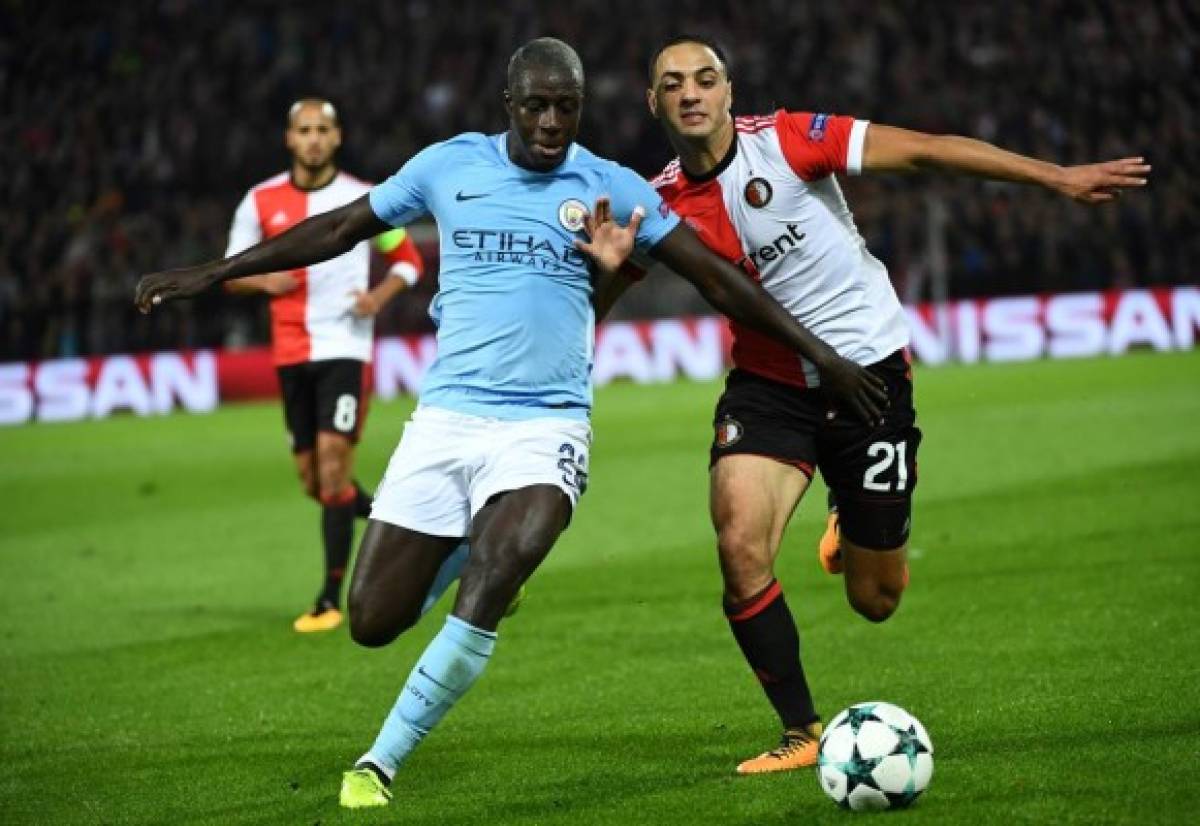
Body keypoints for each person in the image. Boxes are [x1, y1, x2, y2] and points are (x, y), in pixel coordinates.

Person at [135, 38, 889, 808]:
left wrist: (820, 355)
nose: (552, 121)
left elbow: (719, 278)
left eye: (567, 106)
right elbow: (339, 229)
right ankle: (468, 549)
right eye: (537, 105)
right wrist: (217, 272)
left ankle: (378, 762)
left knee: (499, 575)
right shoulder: (448, 165)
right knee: (371, 620)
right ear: (509, 105)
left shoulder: (612, 187)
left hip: (546, 426)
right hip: (447, 422)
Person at [609, 34, 1150, 774]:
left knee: (876, 599)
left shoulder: (792, 140)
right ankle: (801, 731)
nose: (691, 93)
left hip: (867, 375)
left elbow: (926, 150)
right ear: (654, 101)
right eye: (673, 84)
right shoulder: (661, 200)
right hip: (769, 388)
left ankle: (847, 509)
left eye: (706, 79)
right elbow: (605, 290)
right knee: (740, 549)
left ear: (730, 91)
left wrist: (1053, 177)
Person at [223, 98, 426, 633]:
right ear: (290, 139)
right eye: (304, 130)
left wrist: (378, 299)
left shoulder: (363, 200)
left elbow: (409, 259)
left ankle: (330, 600)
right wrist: (264, 279)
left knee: (335, 472)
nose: (313, 139)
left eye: (323, 130)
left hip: (344, 347)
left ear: (337, 138)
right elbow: (230, 270)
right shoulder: (260, 200)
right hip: (290, 352)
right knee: (316, 484)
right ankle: (416, 526)